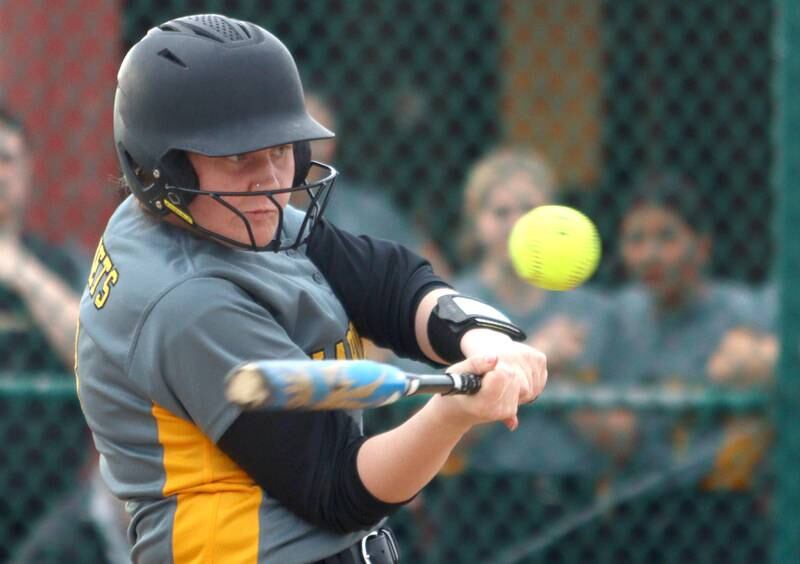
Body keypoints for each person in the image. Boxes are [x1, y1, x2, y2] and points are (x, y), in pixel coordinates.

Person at [75, 14, 547, 564]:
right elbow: (338, 489)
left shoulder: (220, 217)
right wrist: (454, 413)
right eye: (237, 158)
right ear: (162, 168)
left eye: (280, 151)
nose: (271, 181)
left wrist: (480, 336)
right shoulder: (186, 301)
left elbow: (387, 282)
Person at [449, 147, 612, 476]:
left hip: (575, 485)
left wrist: (562, 378)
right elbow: (442, 430)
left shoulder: (592, 311)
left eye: (529, 210)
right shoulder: (449, 306)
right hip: (480, 486)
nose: (516, 224)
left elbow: (622, 440)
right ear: (475, 223)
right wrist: (535, 355)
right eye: (500, 212)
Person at [601, 171, 765, 485]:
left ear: (702, 247)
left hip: (720, 500)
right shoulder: (618, 317)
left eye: (667, 237)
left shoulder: (738, 312)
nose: (650, 255)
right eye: (636, 240)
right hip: (634, 494)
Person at [0, 108, 84, 373]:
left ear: (27, 170)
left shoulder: (56, 264)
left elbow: (88, 353)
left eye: (6, 159)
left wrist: (20, 272)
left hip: (43, 413)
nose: (0, 175)